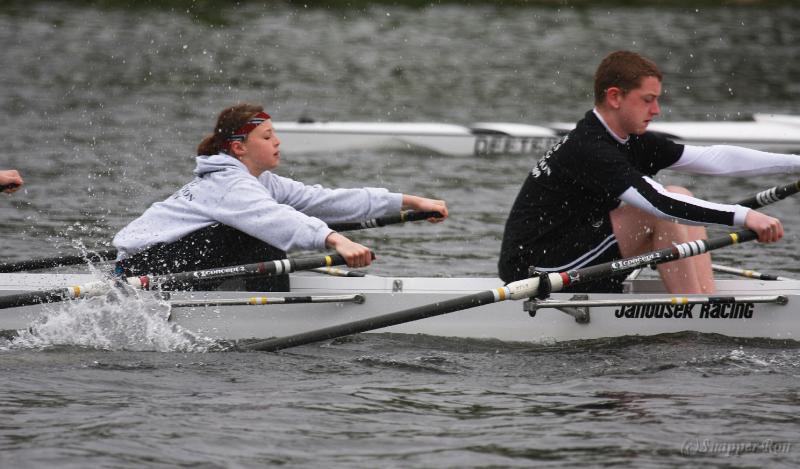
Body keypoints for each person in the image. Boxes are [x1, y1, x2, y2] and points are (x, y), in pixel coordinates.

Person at [499, 50, 799, 294]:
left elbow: (715, 159)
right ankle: (694, 320)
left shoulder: (631, 139)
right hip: (535, 269)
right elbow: (660, 205)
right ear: (615, 97)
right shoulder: (590, 147)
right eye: (647, 100)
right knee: (658, 212)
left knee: (680, 193)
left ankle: (704, 300)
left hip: (576, 248)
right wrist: (745, 216)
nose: (656, 110)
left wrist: (794, 163)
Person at [113, 103, 448, 290]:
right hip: (146, 270)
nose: (277, 142)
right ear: (239, 148)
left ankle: (260, 296)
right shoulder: (230, 185)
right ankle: (272, 311)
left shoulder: (260, 181)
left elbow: (323, 201)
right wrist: (337, 241)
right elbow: (277, 220)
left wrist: (409, 201)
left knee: (260, 231)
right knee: (260, 232)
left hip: (163, 262)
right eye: (267, 136)